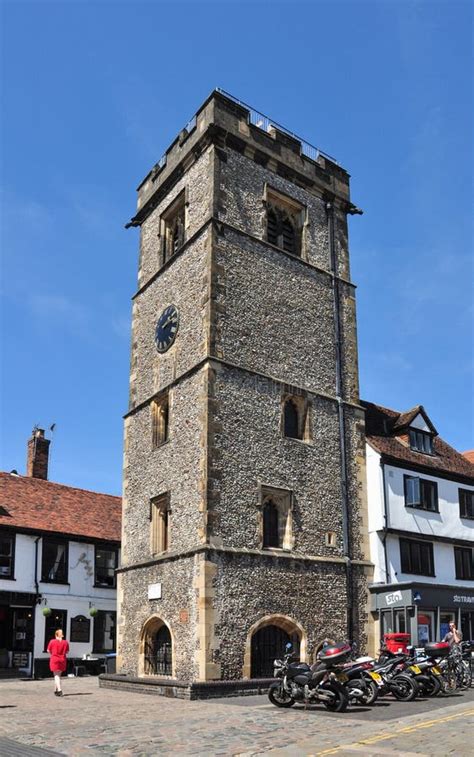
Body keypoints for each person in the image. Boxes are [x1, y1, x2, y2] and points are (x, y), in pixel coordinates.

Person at [47, 628, 69, 696]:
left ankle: (59, 690)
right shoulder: (65, 642)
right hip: (62, 659)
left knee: (56, 675)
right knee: (58, 675)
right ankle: (55, 690)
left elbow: (48, 650)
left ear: (56, 635)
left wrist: (53, 654)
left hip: (54, 659)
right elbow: (67, 651)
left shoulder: (52, 641)